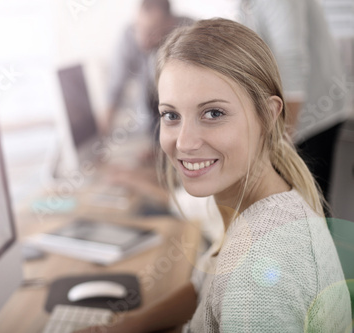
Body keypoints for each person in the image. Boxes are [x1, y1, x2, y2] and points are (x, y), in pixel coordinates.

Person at [76, 18, 351, 333]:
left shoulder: (259, 278)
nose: (184, 142)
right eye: (171, 115)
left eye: (213, 113)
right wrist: (126, 326)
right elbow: (206, 286)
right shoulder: (257, 200)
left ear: (269, 116)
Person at [239, 0, 350, 208]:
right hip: (287, 111)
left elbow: (291, 60)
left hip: (313, 112)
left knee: (307, 206)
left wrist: (282, 140)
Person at [103, 0, 195, 136]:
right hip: (149, 119)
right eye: (139, 28)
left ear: (170, 23)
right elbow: (114, 89)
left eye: (151, 32)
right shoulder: (129, 35)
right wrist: (102, 139)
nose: (142, 39)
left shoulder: (191, 32)